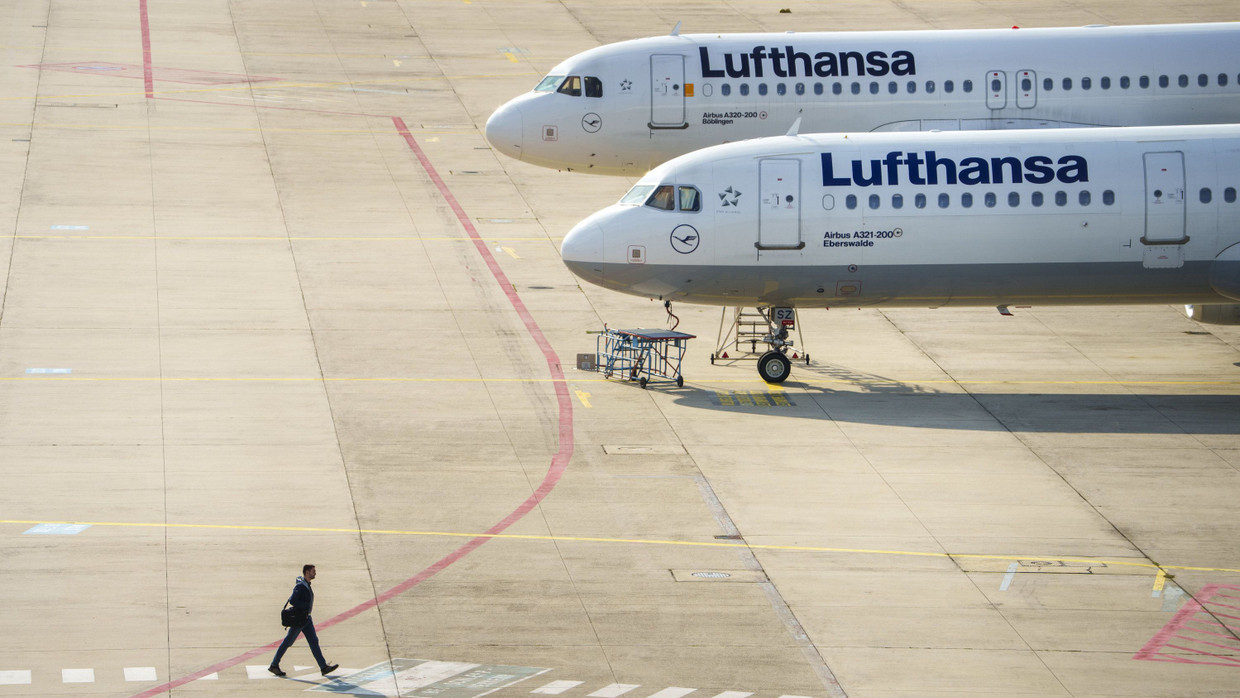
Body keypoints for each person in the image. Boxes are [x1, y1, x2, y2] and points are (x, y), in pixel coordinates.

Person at [269, 564, 338, 677]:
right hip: (300, 619)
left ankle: (323, 667)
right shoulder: (301, 586)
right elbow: (292, 600)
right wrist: (305, 605)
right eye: (313, 571)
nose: (315, 573)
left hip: (306, 619)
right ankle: (274, 665)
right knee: (288, 642)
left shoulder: (306, 584)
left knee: (314, 642)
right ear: (307, 572)